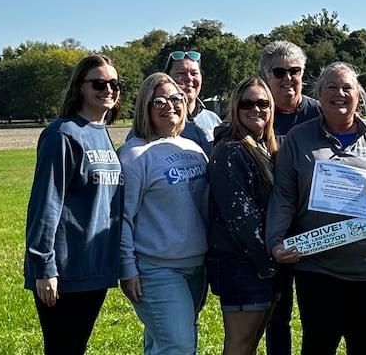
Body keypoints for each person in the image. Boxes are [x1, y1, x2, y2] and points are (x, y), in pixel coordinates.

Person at [265, 62, 366, 355]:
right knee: (318, 344)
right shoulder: (299, 137)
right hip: (317, 264)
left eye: (347, 87)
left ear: (359, 94)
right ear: (319, 95)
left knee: (364, 344)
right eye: (331, 87)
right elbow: (284, 195)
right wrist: (275, 242)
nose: (340, 94)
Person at [23, 54, 124, 355]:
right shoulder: (62, 134)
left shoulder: (102, 134)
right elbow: (46, 203)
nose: (109, 89)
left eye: (115, 84)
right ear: (80, 87)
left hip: (95, 267)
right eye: (99, 83)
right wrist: (44, 267)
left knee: (76, 347)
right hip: (65, 271)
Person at [118, 72, 209, 354]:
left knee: (168, 341)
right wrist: (127, 269)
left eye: (175, 98)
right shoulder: (133, 155)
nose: (169, 105)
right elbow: (122, 218)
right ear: (146, 107)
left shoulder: (194, 149)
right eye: (159, 101)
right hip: (156, 269)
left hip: (197, 267)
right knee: (178, 345)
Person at [206, 77, 280, 354]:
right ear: (235, 108)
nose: (256, 109)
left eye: (263, 103)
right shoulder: (230, 150)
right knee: (240, 344)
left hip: (262, 262)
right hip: (239, 261)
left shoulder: (265, 147)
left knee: (251, 342)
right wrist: (269, 259)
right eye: (247, 103)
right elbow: (241, 216)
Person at [259, 40, 321, 355]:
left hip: (314, 227)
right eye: (279, 72)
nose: (288, 78)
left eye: (294, 71)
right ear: (265, 76)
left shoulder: (318, 111)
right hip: (274, 227)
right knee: (277, 316)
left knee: (316, 315)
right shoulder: (256, 113)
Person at [164, 50, 222, 155]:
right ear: (168, 78)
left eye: (194, 73)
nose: (189, 78)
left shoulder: (213, 120)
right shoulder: (157, 123)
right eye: (181, 73)